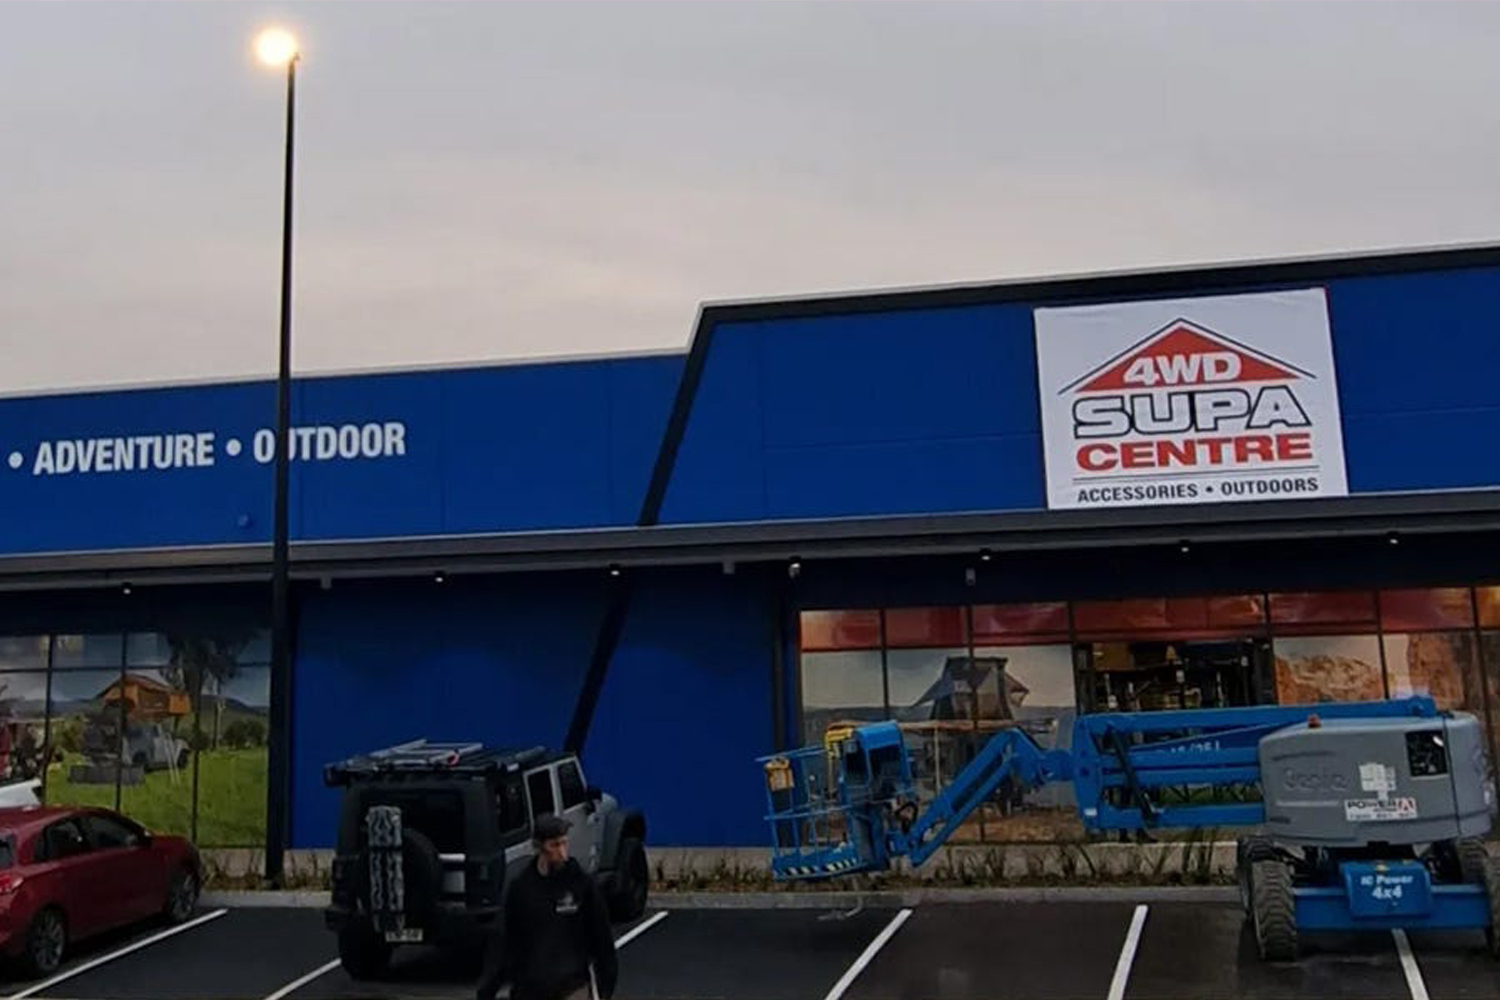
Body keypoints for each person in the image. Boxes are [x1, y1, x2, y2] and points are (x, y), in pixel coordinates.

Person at [478, 814, 618, 1000]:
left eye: (564, 843)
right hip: (530, 990)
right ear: (538, 847)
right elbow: (503, 943)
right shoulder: (521, 888)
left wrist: (606, 986)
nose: (562, 853)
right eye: (554, 845)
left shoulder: (580, 884)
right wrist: (487, 989)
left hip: (572, 987)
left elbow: (602, 937)